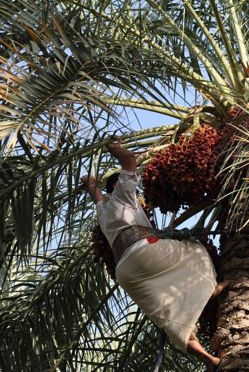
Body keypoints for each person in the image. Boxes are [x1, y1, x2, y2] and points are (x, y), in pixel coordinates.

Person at [81, 137, 226, 372]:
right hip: (144, 250)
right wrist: (111, 146)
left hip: (126, 272)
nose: (135, 185)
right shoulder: (123, 195)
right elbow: (129, 159)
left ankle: (209, 361)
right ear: (120, 186)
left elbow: (95, 195)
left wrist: (89, 183)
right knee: (196, 248)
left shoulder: (104, 213)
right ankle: (211, 287)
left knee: (167, 318)